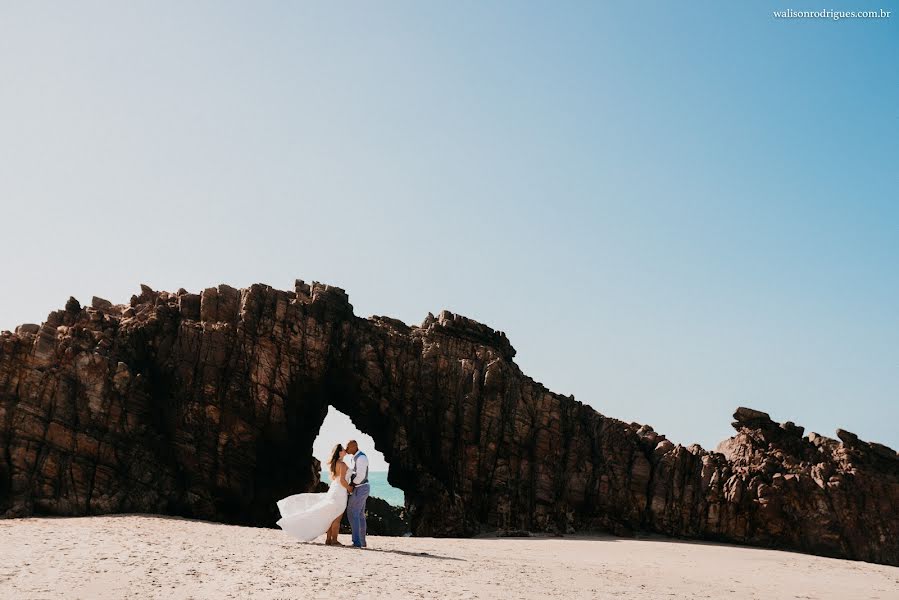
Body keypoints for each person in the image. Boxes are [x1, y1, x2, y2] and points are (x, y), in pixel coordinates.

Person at [275, 443, 353, 545]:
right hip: (340, 492)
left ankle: (328, 539)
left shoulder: (335, 464)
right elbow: (342, 480)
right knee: (337, 517)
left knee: (330, 516)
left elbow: (337, 479)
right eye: (343, 449)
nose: (345, 451)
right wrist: (350, 488)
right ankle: (334, 540)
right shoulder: (342, 464)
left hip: (334, 490)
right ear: (339, 453)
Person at [345, 439, 370, 548]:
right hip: (361, 488)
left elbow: (360, 476)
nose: (346, 449)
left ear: (354, 447)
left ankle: (357, 542)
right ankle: (361, 542)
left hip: (360, 488)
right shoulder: (355, 457)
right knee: (359, 515)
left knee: (353, 512)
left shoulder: (361, 458)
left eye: (348, 447)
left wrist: (351, 486)